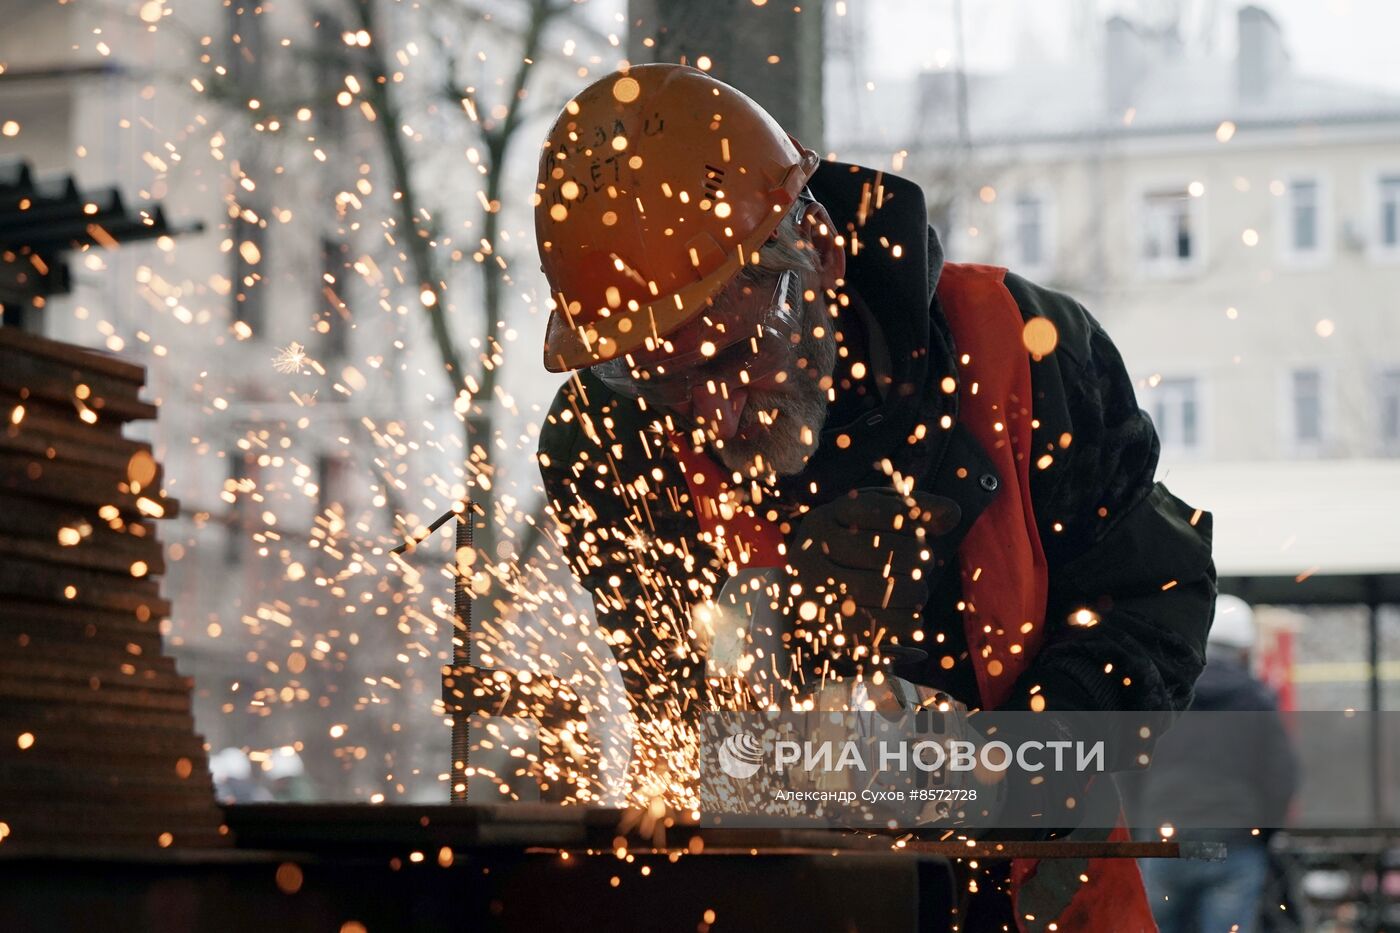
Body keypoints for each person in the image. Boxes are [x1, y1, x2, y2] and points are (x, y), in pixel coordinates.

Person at [534, 64, 1215, 930]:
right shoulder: (611, 438)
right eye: (669, 381)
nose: (716, 413)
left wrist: (1004, 771)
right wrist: (784, 687)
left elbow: (1158, 600)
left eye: (735, 356)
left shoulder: (1024, 354)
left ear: (815, 252)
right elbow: (678, 732)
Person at [1134, 595, 1299, 933]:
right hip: (1234, 843)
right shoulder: (1256, 701)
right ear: (1244, 648)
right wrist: (1262, 834)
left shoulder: (1165, 695)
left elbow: (1130, 767)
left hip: (1166, 842)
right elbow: (1282, 777)